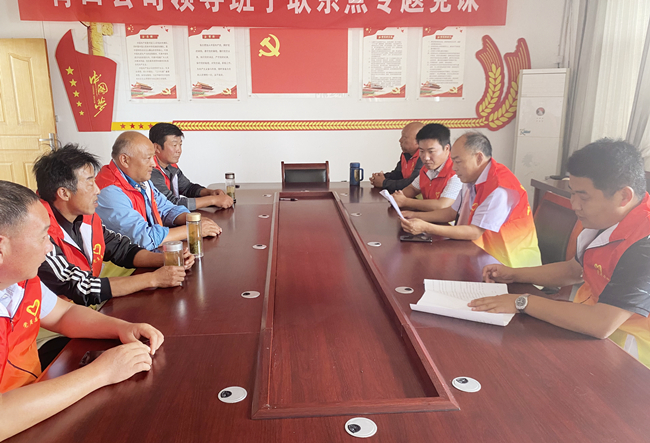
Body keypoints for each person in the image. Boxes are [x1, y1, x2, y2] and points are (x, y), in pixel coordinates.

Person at [0, 180, 163, 440]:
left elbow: (63, 314)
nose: (50, 247)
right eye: (42, 237)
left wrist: (122, 328)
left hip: (38, 402)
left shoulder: (19, 282)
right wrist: (101, 372)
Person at [471, 140, 650, 368]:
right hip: (586, 330)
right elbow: (574, 270)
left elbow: (601, 323)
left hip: (631, 357)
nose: (574, 205)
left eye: (584, 197)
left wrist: (521, 301)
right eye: (572, 193)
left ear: (624, 196)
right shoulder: (606, 219)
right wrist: (514, 274)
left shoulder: (644, 244)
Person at [33, 144, 195, 308]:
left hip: (82, 308)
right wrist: (153, 279)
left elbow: (119, 248)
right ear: (64, 193)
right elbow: (81, 287)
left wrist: (167, 259)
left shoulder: (86, 217)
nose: (97, 190)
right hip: (52, 318)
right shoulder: (39, 233)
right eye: (90, 184)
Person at [401, 132, 541, 268]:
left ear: (479, 158)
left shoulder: (499, 188)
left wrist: (426, 227)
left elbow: (474, 232)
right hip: (480, 255)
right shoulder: (471, 179)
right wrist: (413, 215)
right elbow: (451, 212)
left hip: (509, 265)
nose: (454, 168)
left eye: (458, 161)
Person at [95, 132, 222, 251]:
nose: (154, 164)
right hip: (125, 263)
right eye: (148, 158)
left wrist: (194, 220)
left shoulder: (140, 179)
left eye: (153, 157)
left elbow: (166, 208)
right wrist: (194, 230)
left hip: (148, 253)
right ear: (125, 160)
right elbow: (143, 238)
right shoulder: (109, 191)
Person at [149, 123, 233, 210]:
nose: (179, 150)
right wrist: (213, 200)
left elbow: (187, 188)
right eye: (174, 145)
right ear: (157, 148)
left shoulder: (171, 166)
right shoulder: (151, 170)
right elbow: (170, 204)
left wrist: (210, 192)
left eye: (180, 145)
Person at [391, 123, 462, 212]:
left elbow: (442, 205)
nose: (425, 157)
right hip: (429, 217)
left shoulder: (457, 172)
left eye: (431, 151)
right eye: (421, 151)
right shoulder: (427, 169)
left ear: (447, 148)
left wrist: (406, 202)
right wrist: (397, 197)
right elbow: (412, 188)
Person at [369, 121, 424, 193]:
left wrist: (384, 183)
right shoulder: (405, 154)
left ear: (418, 141)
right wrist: (381, 177)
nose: (400, 140)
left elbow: (413, 183)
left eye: (404, 137)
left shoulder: (424, 157)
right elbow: (398, 175)